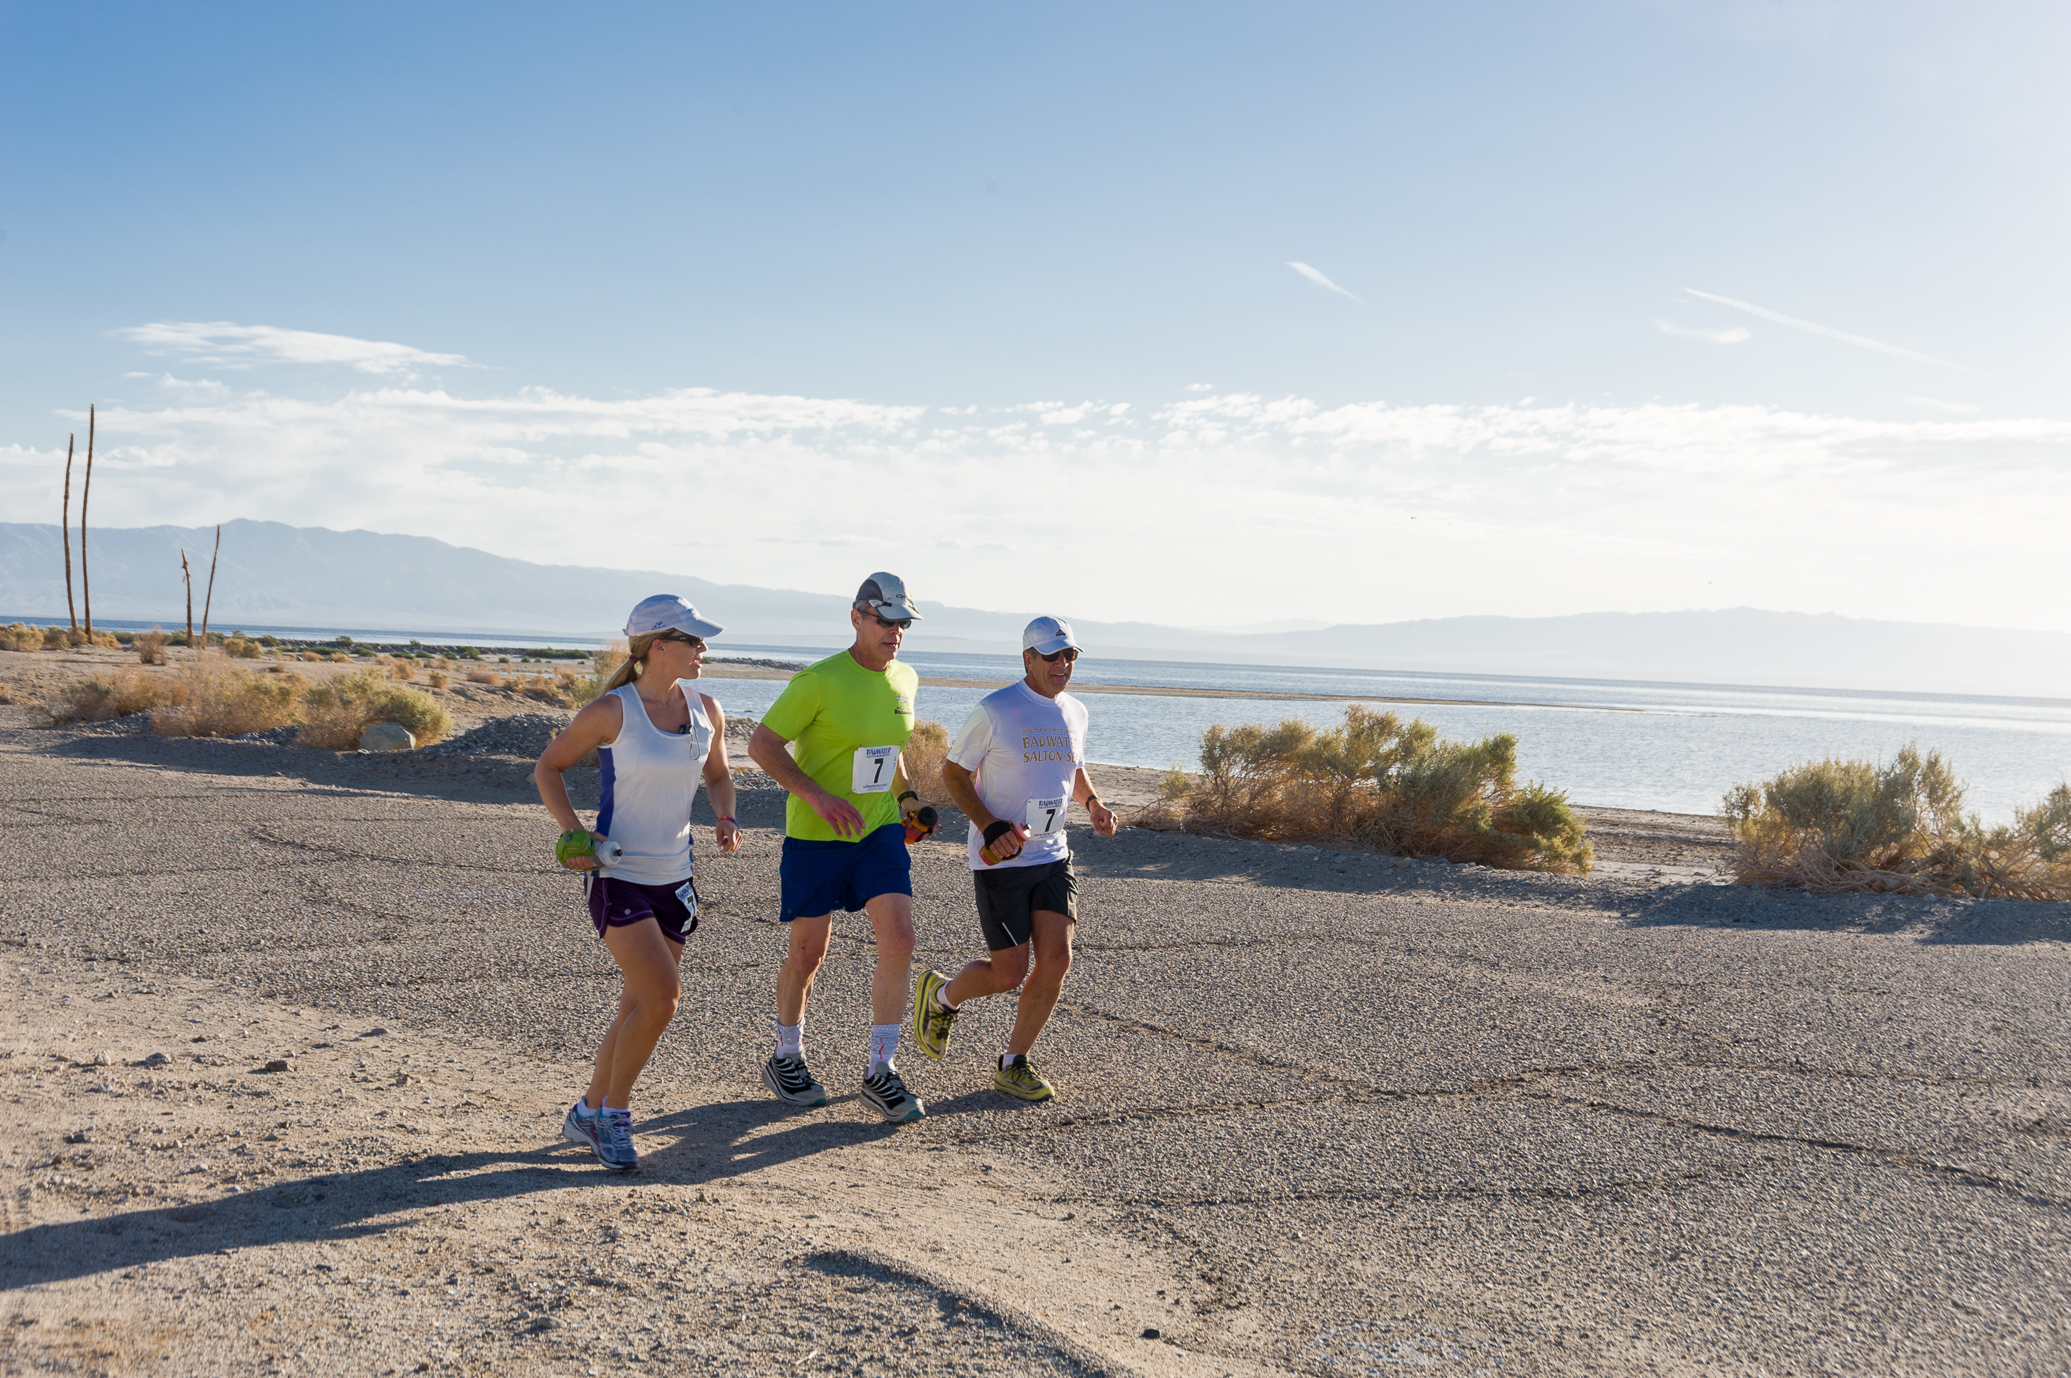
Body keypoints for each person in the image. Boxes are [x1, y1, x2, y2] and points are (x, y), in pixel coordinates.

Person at [534, 595, 741, 1171]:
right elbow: (548, 769)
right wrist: (575, 834)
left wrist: (726, 816)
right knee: (661, 999)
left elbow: (720, 776)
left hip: (676, 878)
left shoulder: (707, 709)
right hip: (616, 873)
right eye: (694, 640)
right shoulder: (611, 712)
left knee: (636, 1003)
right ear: (658, 646)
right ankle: (613, 1117)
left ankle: (586, 1110)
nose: (704, 650)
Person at [748, 573, 934, 1123]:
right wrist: (816, 795)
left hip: (877, 833)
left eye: (903, 623)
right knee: (809, 954)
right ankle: (786, 1055)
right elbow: (761, 745)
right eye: (885, 621)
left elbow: (890, 752)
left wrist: (909, 801)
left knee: (900, 938)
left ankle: (881, 1069)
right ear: (857, 617)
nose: (895, 632)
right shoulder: (818, 681)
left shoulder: (906, 679)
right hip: (815, 836)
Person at [911, 616, 1116, 1101]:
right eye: (1052, 656)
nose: (1063, 665)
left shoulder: (1077, 712)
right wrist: (990, 825)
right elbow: (954, 773)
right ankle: (941, 997)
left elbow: (1074, 769)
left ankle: (1014, 1062)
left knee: (1057, 959)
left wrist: (1093, 805)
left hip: (1053, 854)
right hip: (1001, 859)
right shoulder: (996, 709)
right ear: (1028, 659)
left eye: (1070, 656)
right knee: (1007, 974)